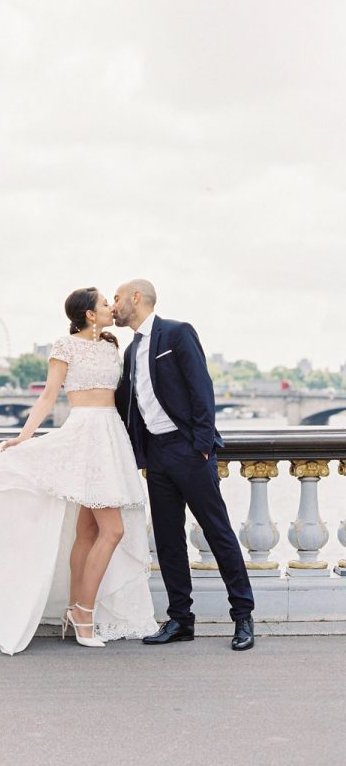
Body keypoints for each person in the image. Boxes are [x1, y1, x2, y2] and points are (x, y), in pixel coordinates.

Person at [0, 287, 157, 655]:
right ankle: (83, 613)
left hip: (111, 435)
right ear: (89, 315)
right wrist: (23, 437)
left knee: (88, 530)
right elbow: (48, 396)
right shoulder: (64, 347)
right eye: (103, 304)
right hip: (85, 436)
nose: (111, 307)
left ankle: (75, 608)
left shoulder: (113, 346)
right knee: (112, 530)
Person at [112, 279, 255, 651]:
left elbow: (200, 388)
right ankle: (180, 620)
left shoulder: (176, 334)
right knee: (168, 539)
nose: (114, 306)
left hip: (190, 451)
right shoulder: (130, 351)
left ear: (136, 298)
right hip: (156, 455)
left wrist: (202, 445)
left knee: (218, 532)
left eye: (117, 299)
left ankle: (243, 617)